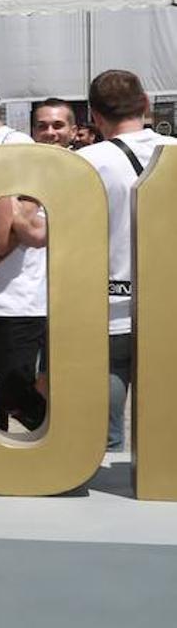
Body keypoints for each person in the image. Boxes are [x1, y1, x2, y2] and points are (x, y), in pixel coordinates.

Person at [76, 69, 177, 451]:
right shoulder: (174, 152)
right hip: (168, 314)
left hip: (109, 311)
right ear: (146, 104)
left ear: (95, 114)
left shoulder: (87, 162)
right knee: (165, 439)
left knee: (106, 434)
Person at [0, 82, 48, 432]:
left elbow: (21, 225)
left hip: (17, 297)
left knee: (11, 388)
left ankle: (55, 431)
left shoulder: (16, 145)